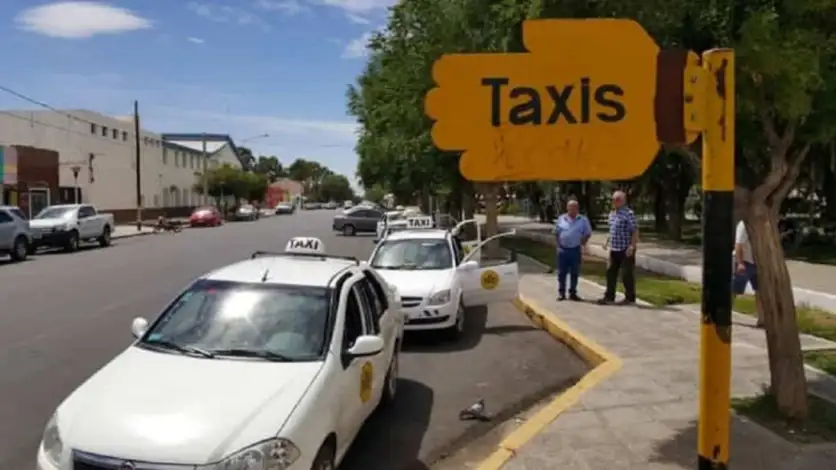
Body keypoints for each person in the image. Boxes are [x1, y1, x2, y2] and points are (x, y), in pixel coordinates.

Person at [598, 191, 638, 305]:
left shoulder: (628, 214)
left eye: (617, 200)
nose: (614, 202)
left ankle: (630, 298)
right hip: (614, 249)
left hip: (625, 249)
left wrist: (632, 246)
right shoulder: (612, 214)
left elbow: (635, 231)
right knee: (610, 273)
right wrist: (606, 242)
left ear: (623, 201)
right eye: (613, 199)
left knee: (626, 274)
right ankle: (609, 296)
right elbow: (612, 230)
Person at [554, 199, 591, 301]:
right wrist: (558, 246)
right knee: (562, 273)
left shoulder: (583, 220)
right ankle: (561, 293)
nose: (572, 210)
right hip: (563, 249)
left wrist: (583, 243)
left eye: (574, 208)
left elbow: (588, 233)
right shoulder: (561, 219)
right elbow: (556, 233)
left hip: (575, 249)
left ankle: (573, 293)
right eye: (570, 208)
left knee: (575, 272)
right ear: (567, 208)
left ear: (577, 209)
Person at [733, 219, 762, 327]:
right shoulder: (744, 225)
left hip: (758, 263)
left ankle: (762, 319)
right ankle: (724, 315)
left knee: (761, 291)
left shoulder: (762, 224)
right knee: (734, 290)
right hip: (745, 262)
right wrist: (740, 263)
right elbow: (738, 244)